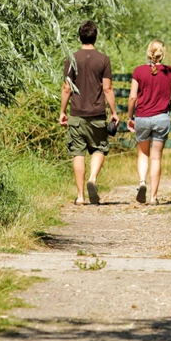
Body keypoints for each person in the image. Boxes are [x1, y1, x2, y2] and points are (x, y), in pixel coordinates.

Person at [59, 20, 119, 205]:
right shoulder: (103, 59)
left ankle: (80, 197)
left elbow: (66, 88)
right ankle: (92, 179)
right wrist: (114, 112)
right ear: (96, 37)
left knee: (78, 153)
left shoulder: (72, 58)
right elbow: (107, 88)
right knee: (99, 148)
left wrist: (62, 111)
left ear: (79, 37)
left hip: (76, 114)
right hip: (97, 115)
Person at [126, 39, 171, 206]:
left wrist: (129, 117)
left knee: (143, 153)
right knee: (156, 159)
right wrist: (166, 109)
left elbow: (133, 97)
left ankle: (142, 183)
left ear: (148, 52)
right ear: (162, 54)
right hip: (162, 118)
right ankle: (153, 198)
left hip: (142, 117)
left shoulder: (139, 71)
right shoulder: (169, 71)